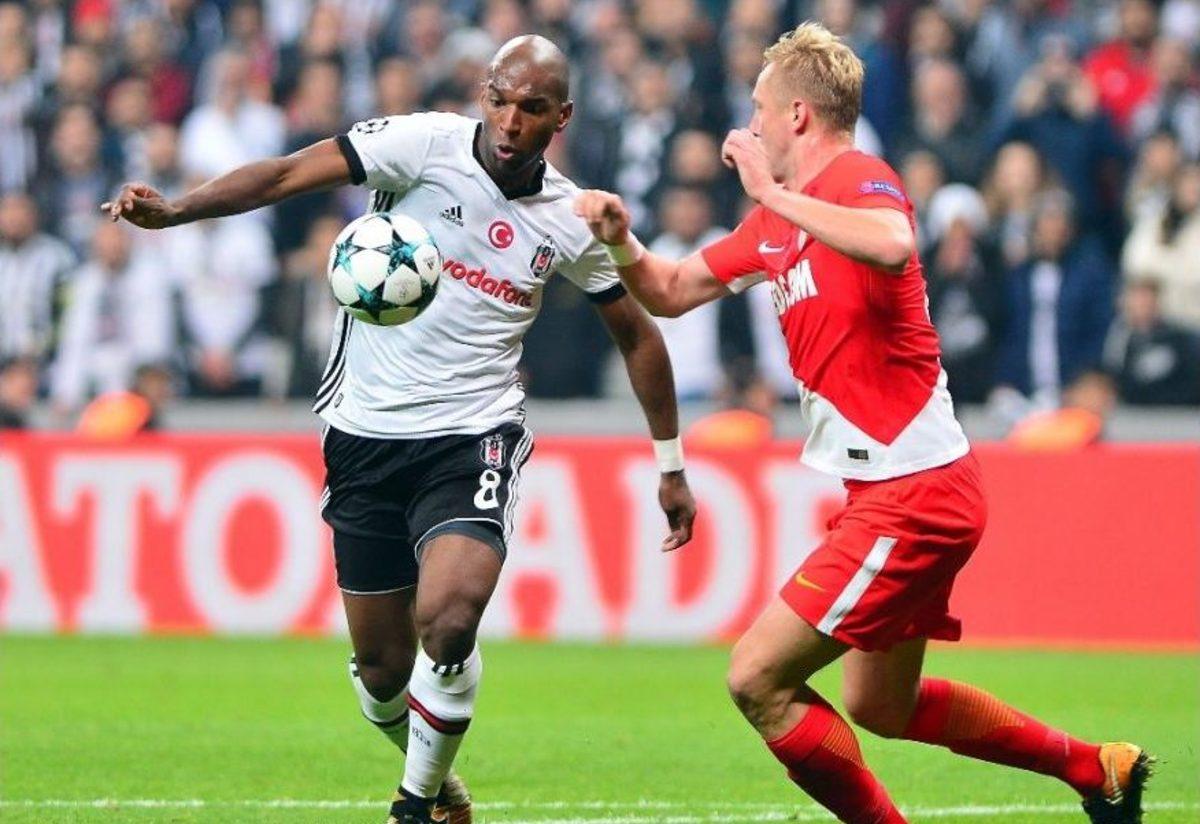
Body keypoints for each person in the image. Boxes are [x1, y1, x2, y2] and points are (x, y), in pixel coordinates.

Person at [103, 35, 696, 824]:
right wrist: (179, 210)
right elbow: (283, 174)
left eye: (531, 108)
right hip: (365, 432)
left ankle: (413, 805)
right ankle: (439, 782)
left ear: (562, 117)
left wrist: (670, 463)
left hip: (473, 435)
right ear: (483, 95)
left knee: (449, 620)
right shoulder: (419, 146)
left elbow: (640, 337)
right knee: (383, 673)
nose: (510, 121)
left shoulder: (571, 219)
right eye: (500, 100)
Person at [575, 22, 1149, 824]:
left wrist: (774, 195)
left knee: (757, 678)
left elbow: (893, 243)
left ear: (798, 114)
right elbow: (670, 289)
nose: (751, 126)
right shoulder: (776, 222)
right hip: (897, 489)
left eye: (760, 108)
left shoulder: (856, 176)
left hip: (913, 492)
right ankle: (1097, 767)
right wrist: (621, 241)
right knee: (881, 704)